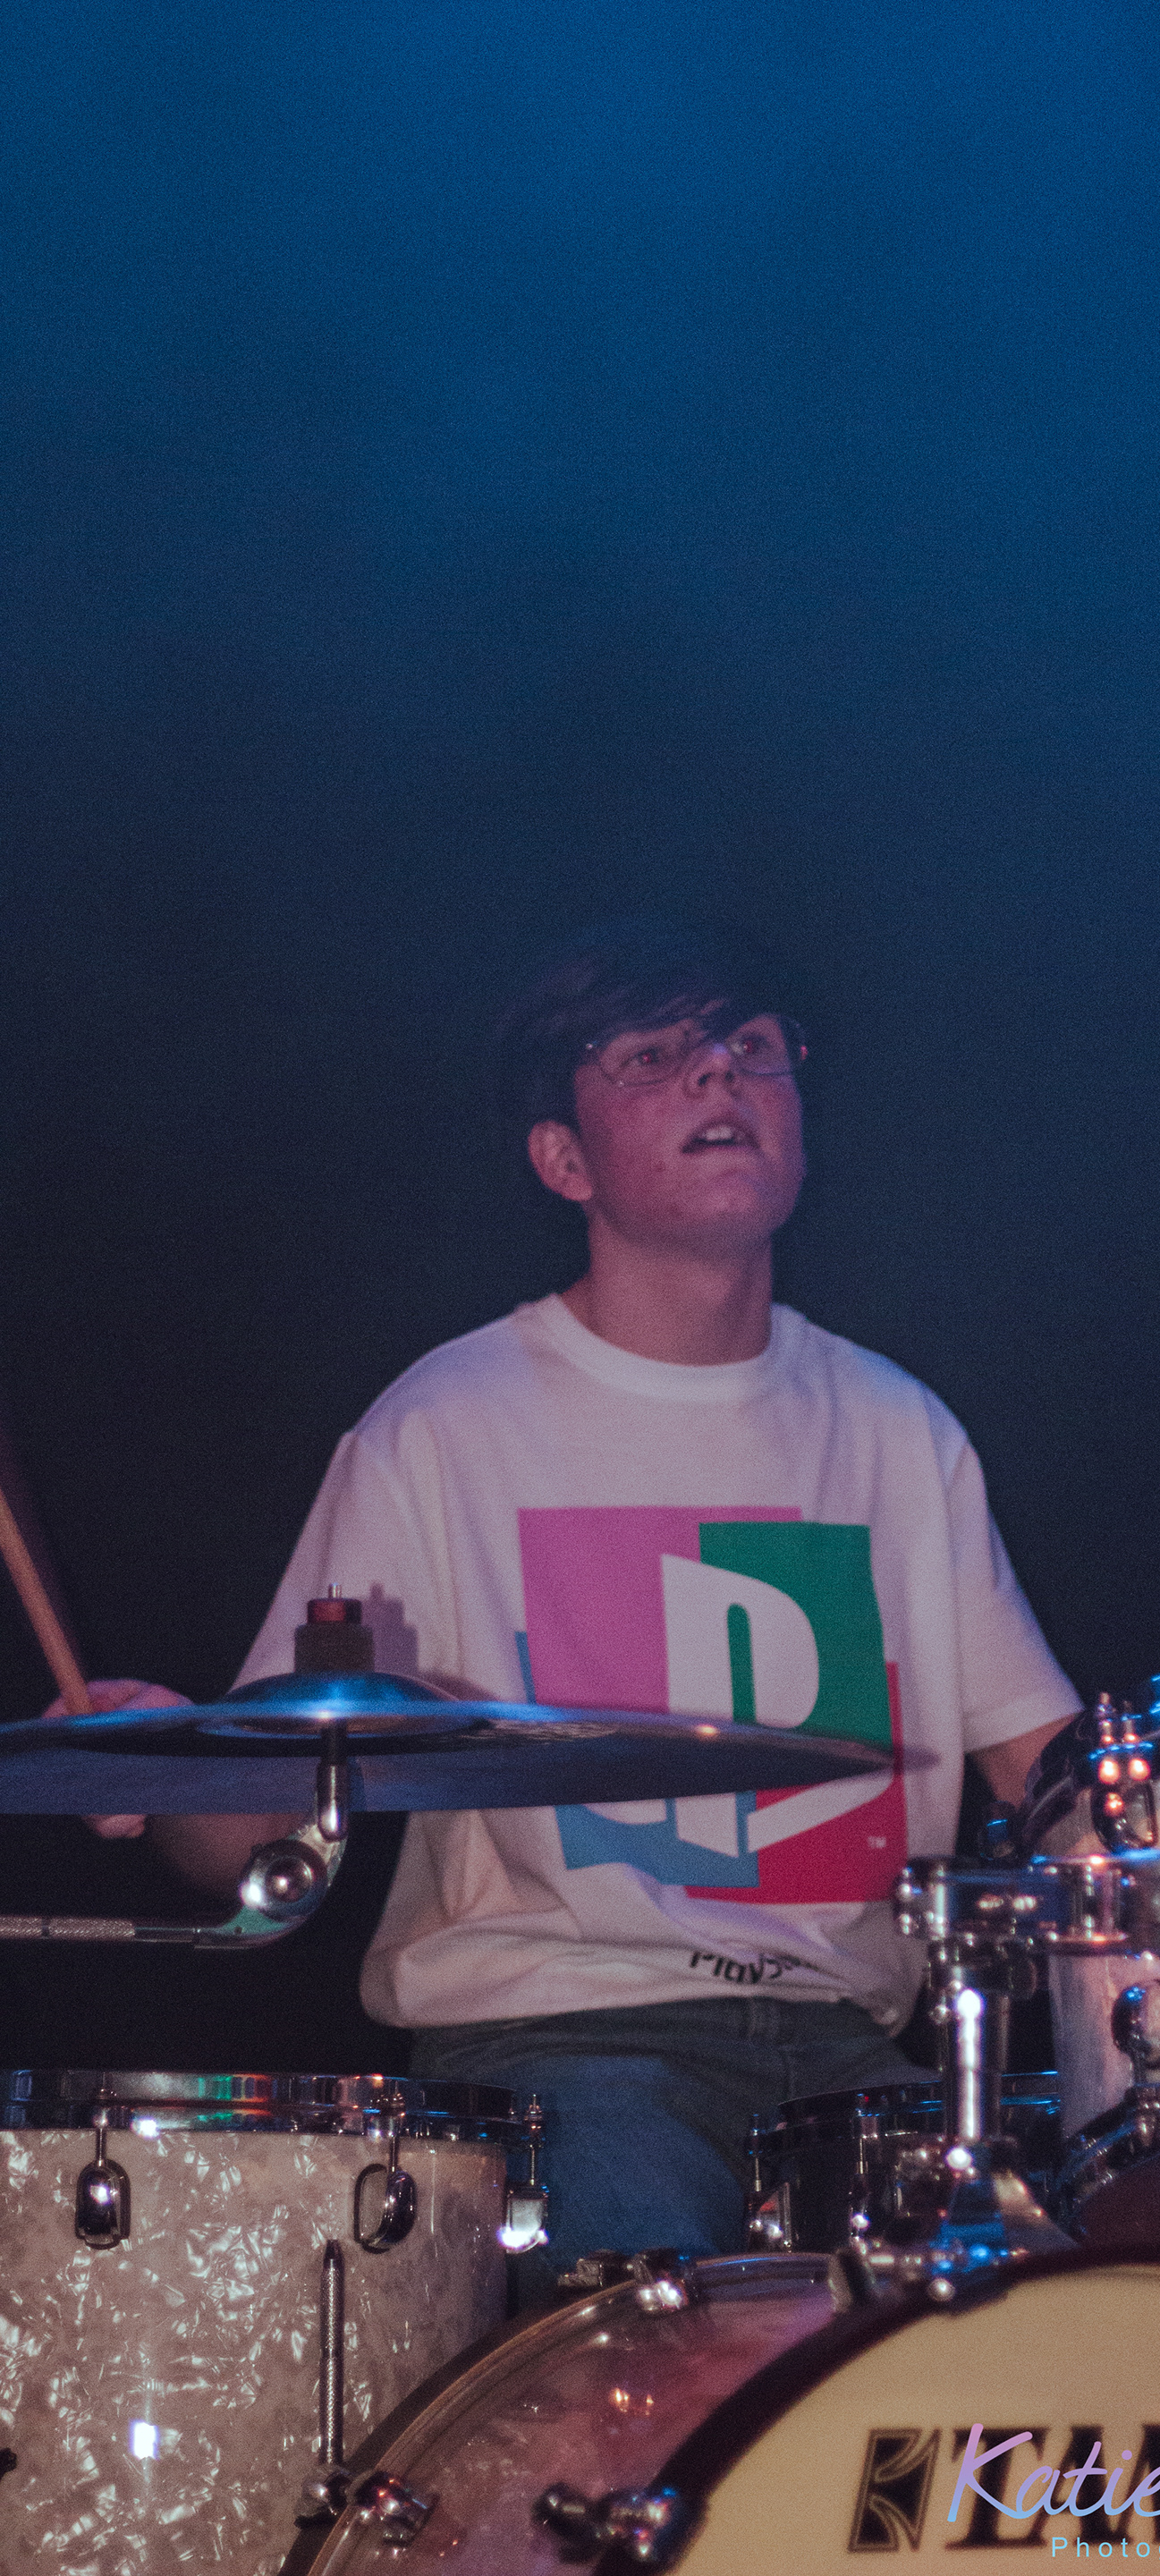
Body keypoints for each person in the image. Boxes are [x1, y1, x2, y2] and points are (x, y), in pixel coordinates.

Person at [71, 919, 1080, 2281]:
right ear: (563, 1159)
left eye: (754, 1048)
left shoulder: (900, 1428)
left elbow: (1054, 1778)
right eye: (657, 1057)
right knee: (665, 2330)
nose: (721, 1075)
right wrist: (163, 1768)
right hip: (561, 2040)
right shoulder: (446, 1424)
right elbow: (264, 1825)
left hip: (848, 2047)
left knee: (1043, 2308)